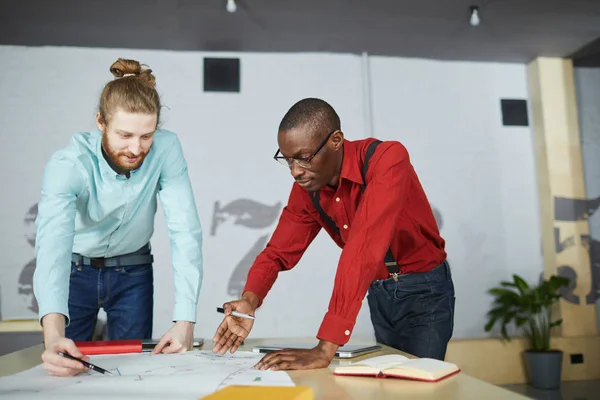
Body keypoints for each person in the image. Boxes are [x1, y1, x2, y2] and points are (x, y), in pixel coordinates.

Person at [212, 98, 455, 371]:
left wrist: (325, 347)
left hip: (423, 290)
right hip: (378, 292)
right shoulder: (308, 189)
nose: (295, 171)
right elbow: (277, 252)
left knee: (420, 383)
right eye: (288, 160)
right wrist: (249, 300)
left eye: (303, 158)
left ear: (336, 140)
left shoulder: (387, 159)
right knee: (393, 383)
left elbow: (364, 248)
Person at [33, 58, 203, 376]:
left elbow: (185, 231)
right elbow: (52, 246)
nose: (136, 148)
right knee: (66, 370)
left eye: (146, 136)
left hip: (133, 273)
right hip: (75, 271)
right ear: (100, 121)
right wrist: (53, 334)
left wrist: (185, 320)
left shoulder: (167, 149)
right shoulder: (67, 164)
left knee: (132, 374)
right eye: (124, 135)